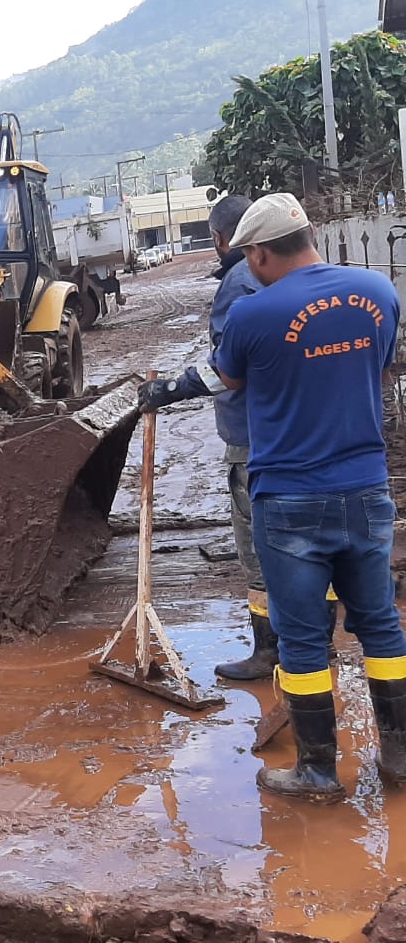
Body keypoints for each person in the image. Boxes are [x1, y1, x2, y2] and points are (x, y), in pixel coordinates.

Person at [216, 192, 406, 804]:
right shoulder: (379, 293)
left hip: (291, 496)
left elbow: (232, 381)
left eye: (250, 256)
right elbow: (380, 367)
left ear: (264, 251)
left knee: (300, 640)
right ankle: (400, 758)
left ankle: (319, 772)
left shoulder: (251, 313)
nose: (249, 266)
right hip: (367, 487)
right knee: (380, 625)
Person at [139, 197, 341, 679]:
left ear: (223, 240)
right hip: (313, 436)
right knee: (318, 545)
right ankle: (322, 640)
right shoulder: (321, 281)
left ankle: (268, 650)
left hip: (256, 439)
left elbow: (229, 367)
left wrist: (168, 390)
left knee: (260, 549)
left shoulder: (240, 282)